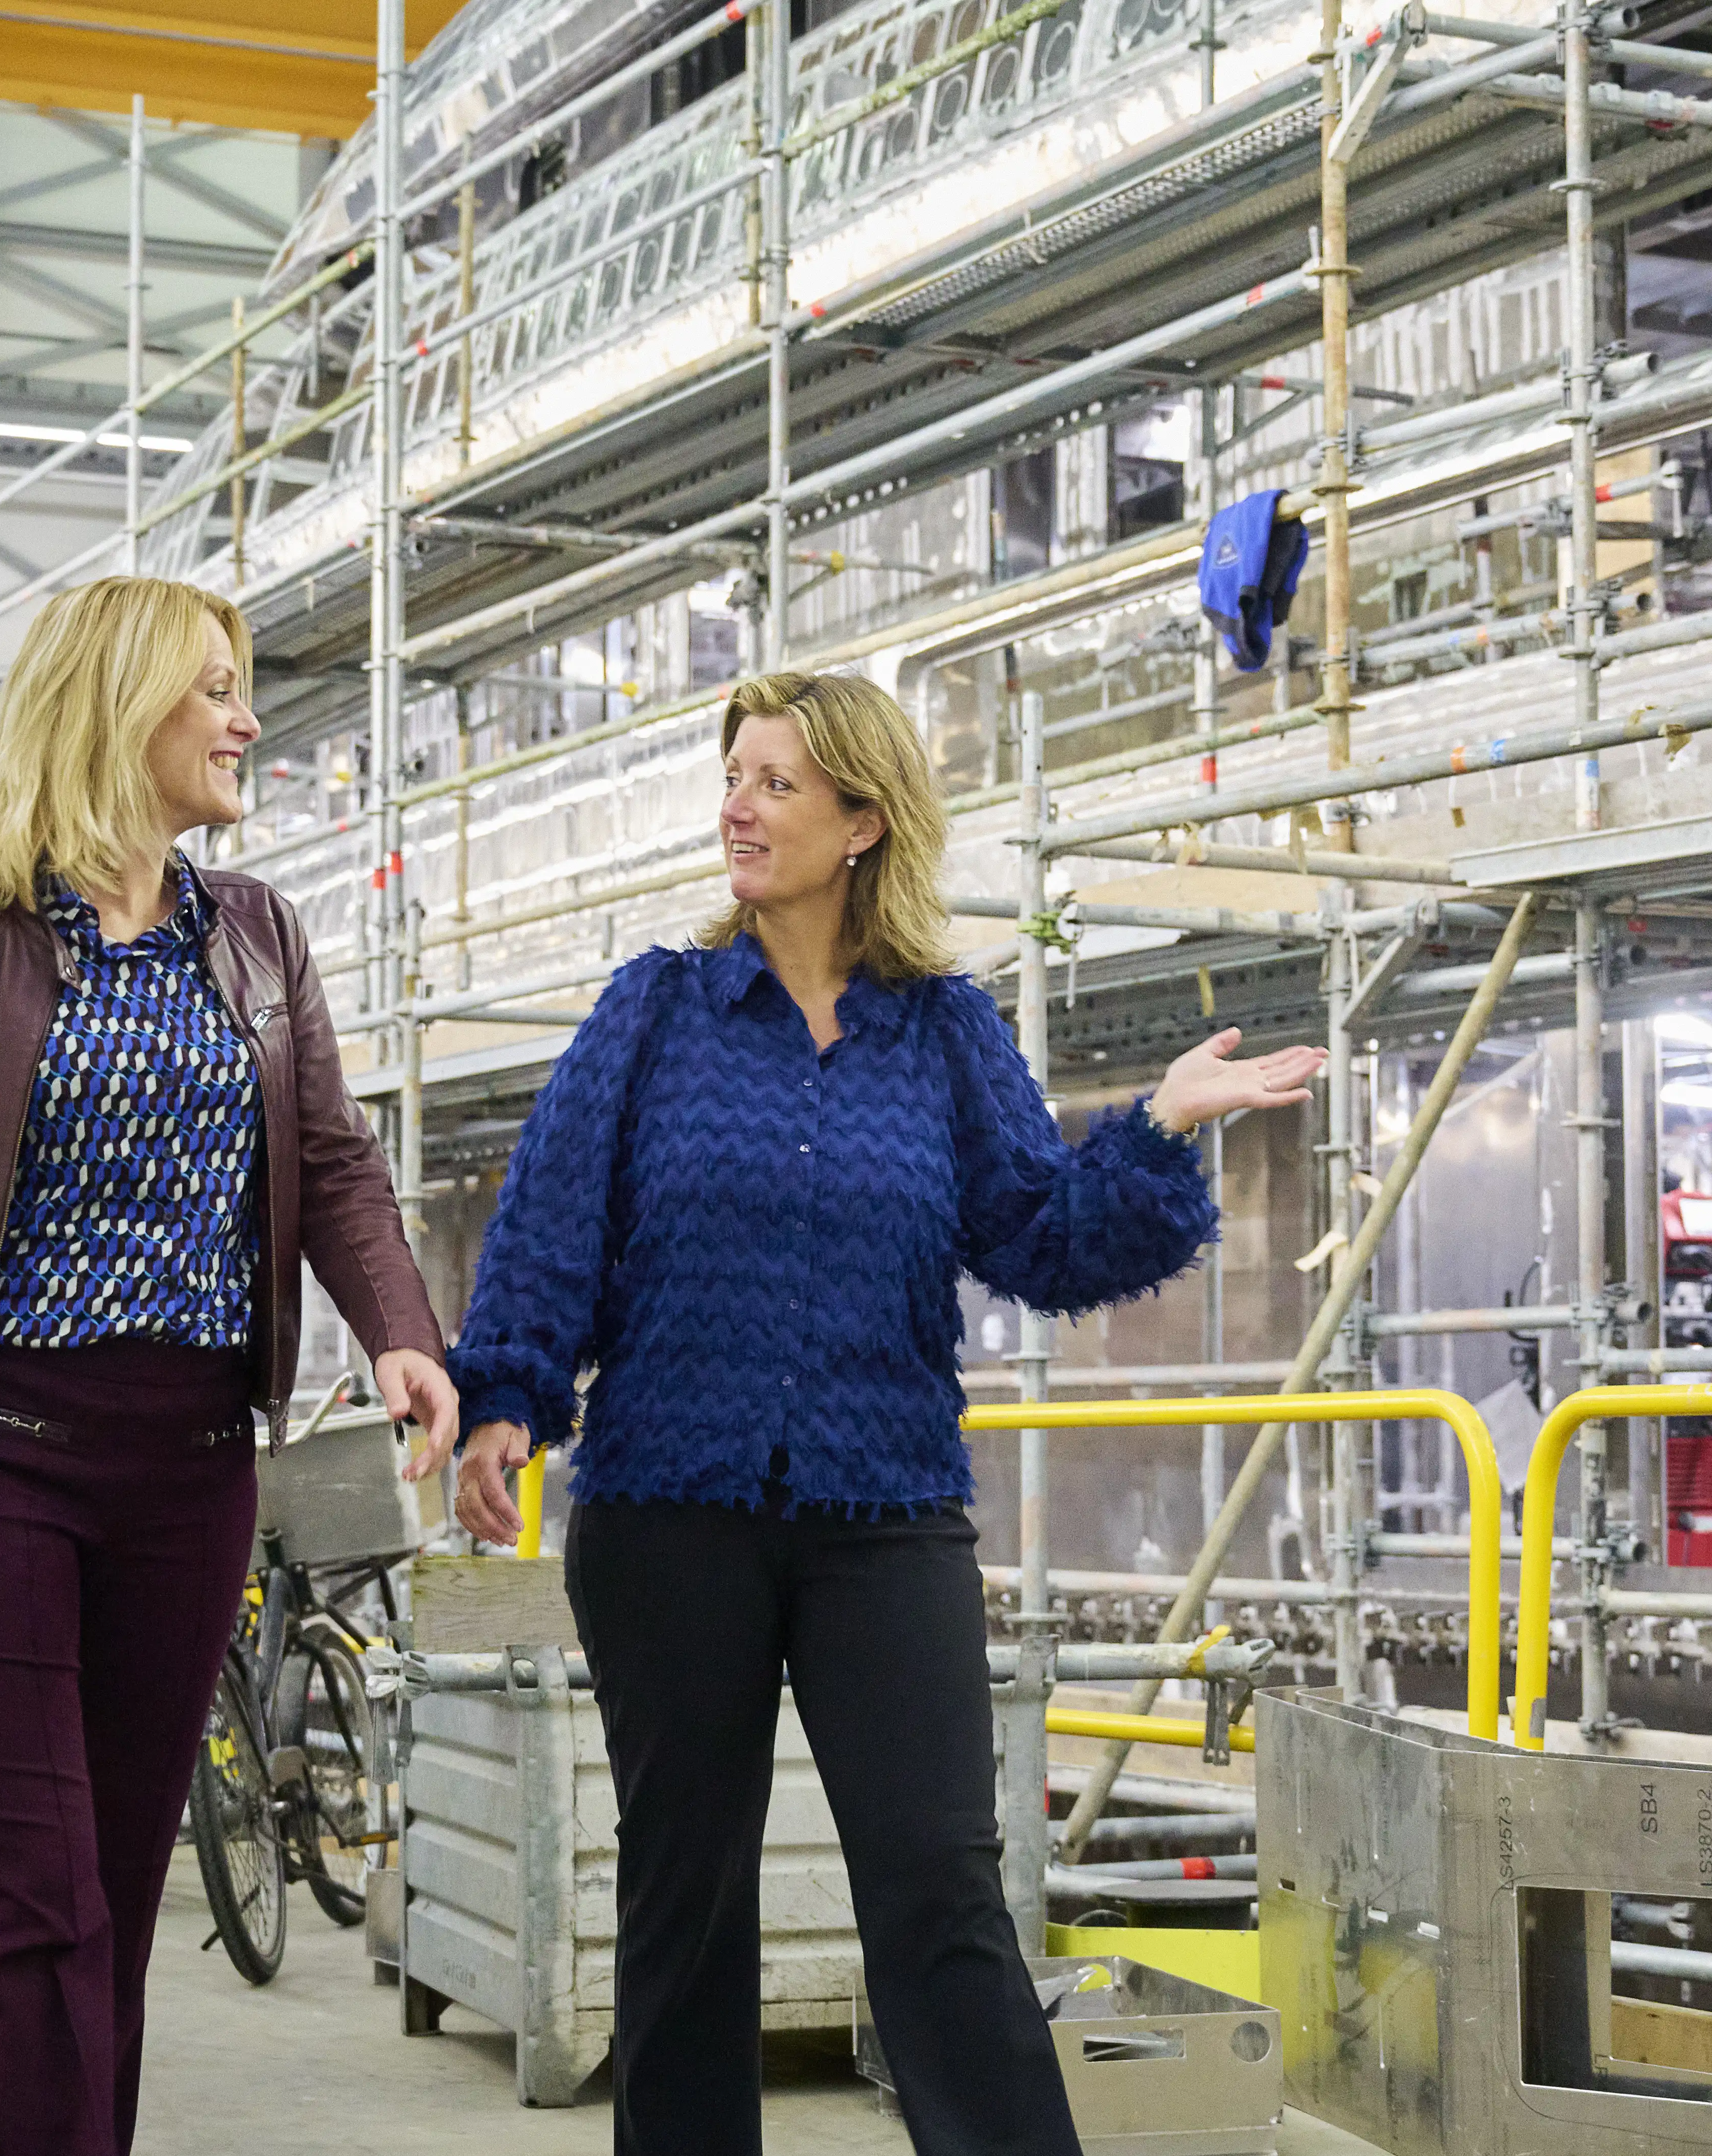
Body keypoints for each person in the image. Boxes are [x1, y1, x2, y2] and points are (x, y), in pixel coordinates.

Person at [423, 670, 1321, 2153]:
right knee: (685, 1892)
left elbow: (1040, 1239)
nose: (739, 808)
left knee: (940, 1885)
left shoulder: (944, 1033)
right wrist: (506, 1399)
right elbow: (550, 1224)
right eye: (733, 777)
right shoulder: (655, 1012)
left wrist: (1160, 1126)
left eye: (776, 783)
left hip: (884, 1516)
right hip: (669, 1514)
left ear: (861, 823)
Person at [0, 577, 459, 2156]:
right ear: (118, 706)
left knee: (108, 1905)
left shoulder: (256, 933)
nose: (247, 720)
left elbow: (331, 1163)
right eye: (214, 689)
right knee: (37, 1905)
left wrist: (402, 1330)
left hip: (184, 1483)